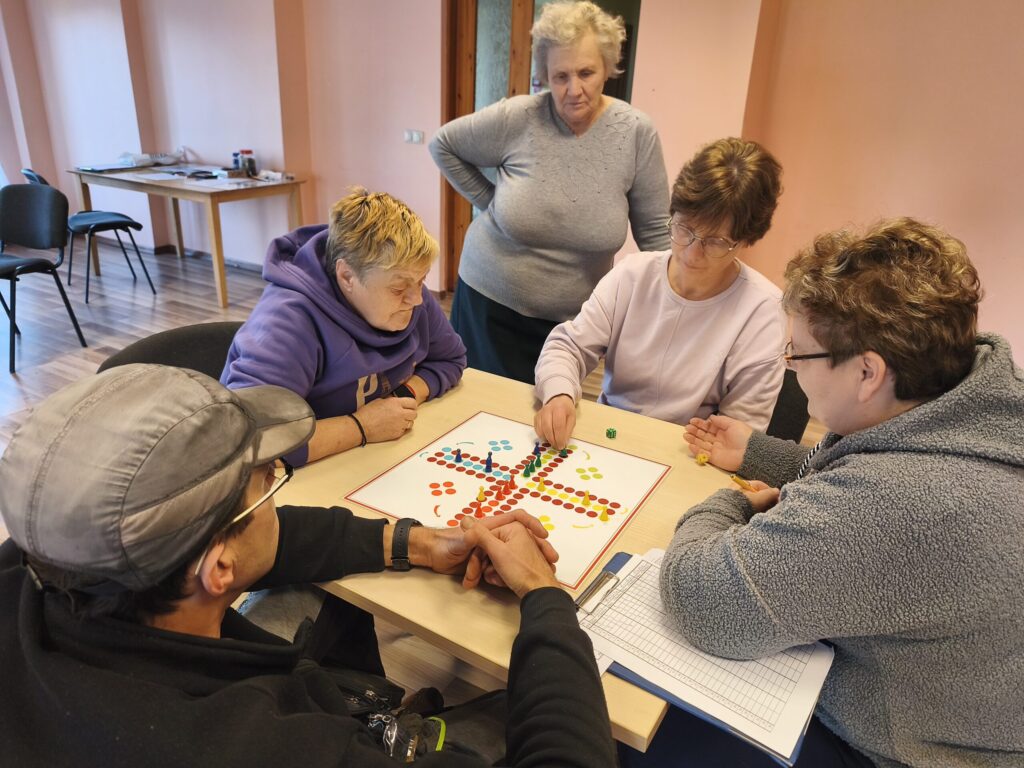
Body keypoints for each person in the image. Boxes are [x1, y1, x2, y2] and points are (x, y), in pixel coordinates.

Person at [0, 364, 618, 768]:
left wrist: (423, 544)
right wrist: (545, 597)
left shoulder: (41, 560)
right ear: (216, 568)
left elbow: (273, 541)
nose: (278, 485)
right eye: (266, 484)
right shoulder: (267, 749)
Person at [623, 219, 1024, 767]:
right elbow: (860, 462)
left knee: (638, 727)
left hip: (902, 752)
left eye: (799, 354)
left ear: (867, 373)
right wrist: (761, 454)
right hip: (960, 707)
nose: (791, 369)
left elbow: (702, 599)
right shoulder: (974, 402)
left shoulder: (895, 503)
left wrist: (736, 502)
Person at [429, 0, 670, 383]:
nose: (574, 90)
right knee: (486, 423)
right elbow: (443, 145)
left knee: (552, 425)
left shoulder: (636, 133)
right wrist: (493, 203)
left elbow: (657, 234)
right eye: (560, 76)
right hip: (489, 307)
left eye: (586, 73)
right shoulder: (518, 117)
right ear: (544, 75)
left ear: (607, 66)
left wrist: (675, 305)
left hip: (571, 326)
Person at [534, 137, 786, 449]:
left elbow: (736, 435)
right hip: (609, 438)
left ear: (746, 240)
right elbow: (568, 348)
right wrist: (559, 393)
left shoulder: (761, 311)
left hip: (691, 453)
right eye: (684, 229)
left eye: (715, 242)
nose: (692, 254)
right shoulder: (633, 275)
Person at [221, 188, 466, 467]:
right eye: (398, 288)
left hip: (367, 463)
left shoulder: (409, 296)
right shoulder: (288, 322)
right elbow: (251, 442)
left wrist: (405, 396)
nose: (417, 299)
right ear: (347, 275)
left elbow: (451, 358)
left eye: (421, 280)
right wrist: (361, 427)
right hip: (294, 483)